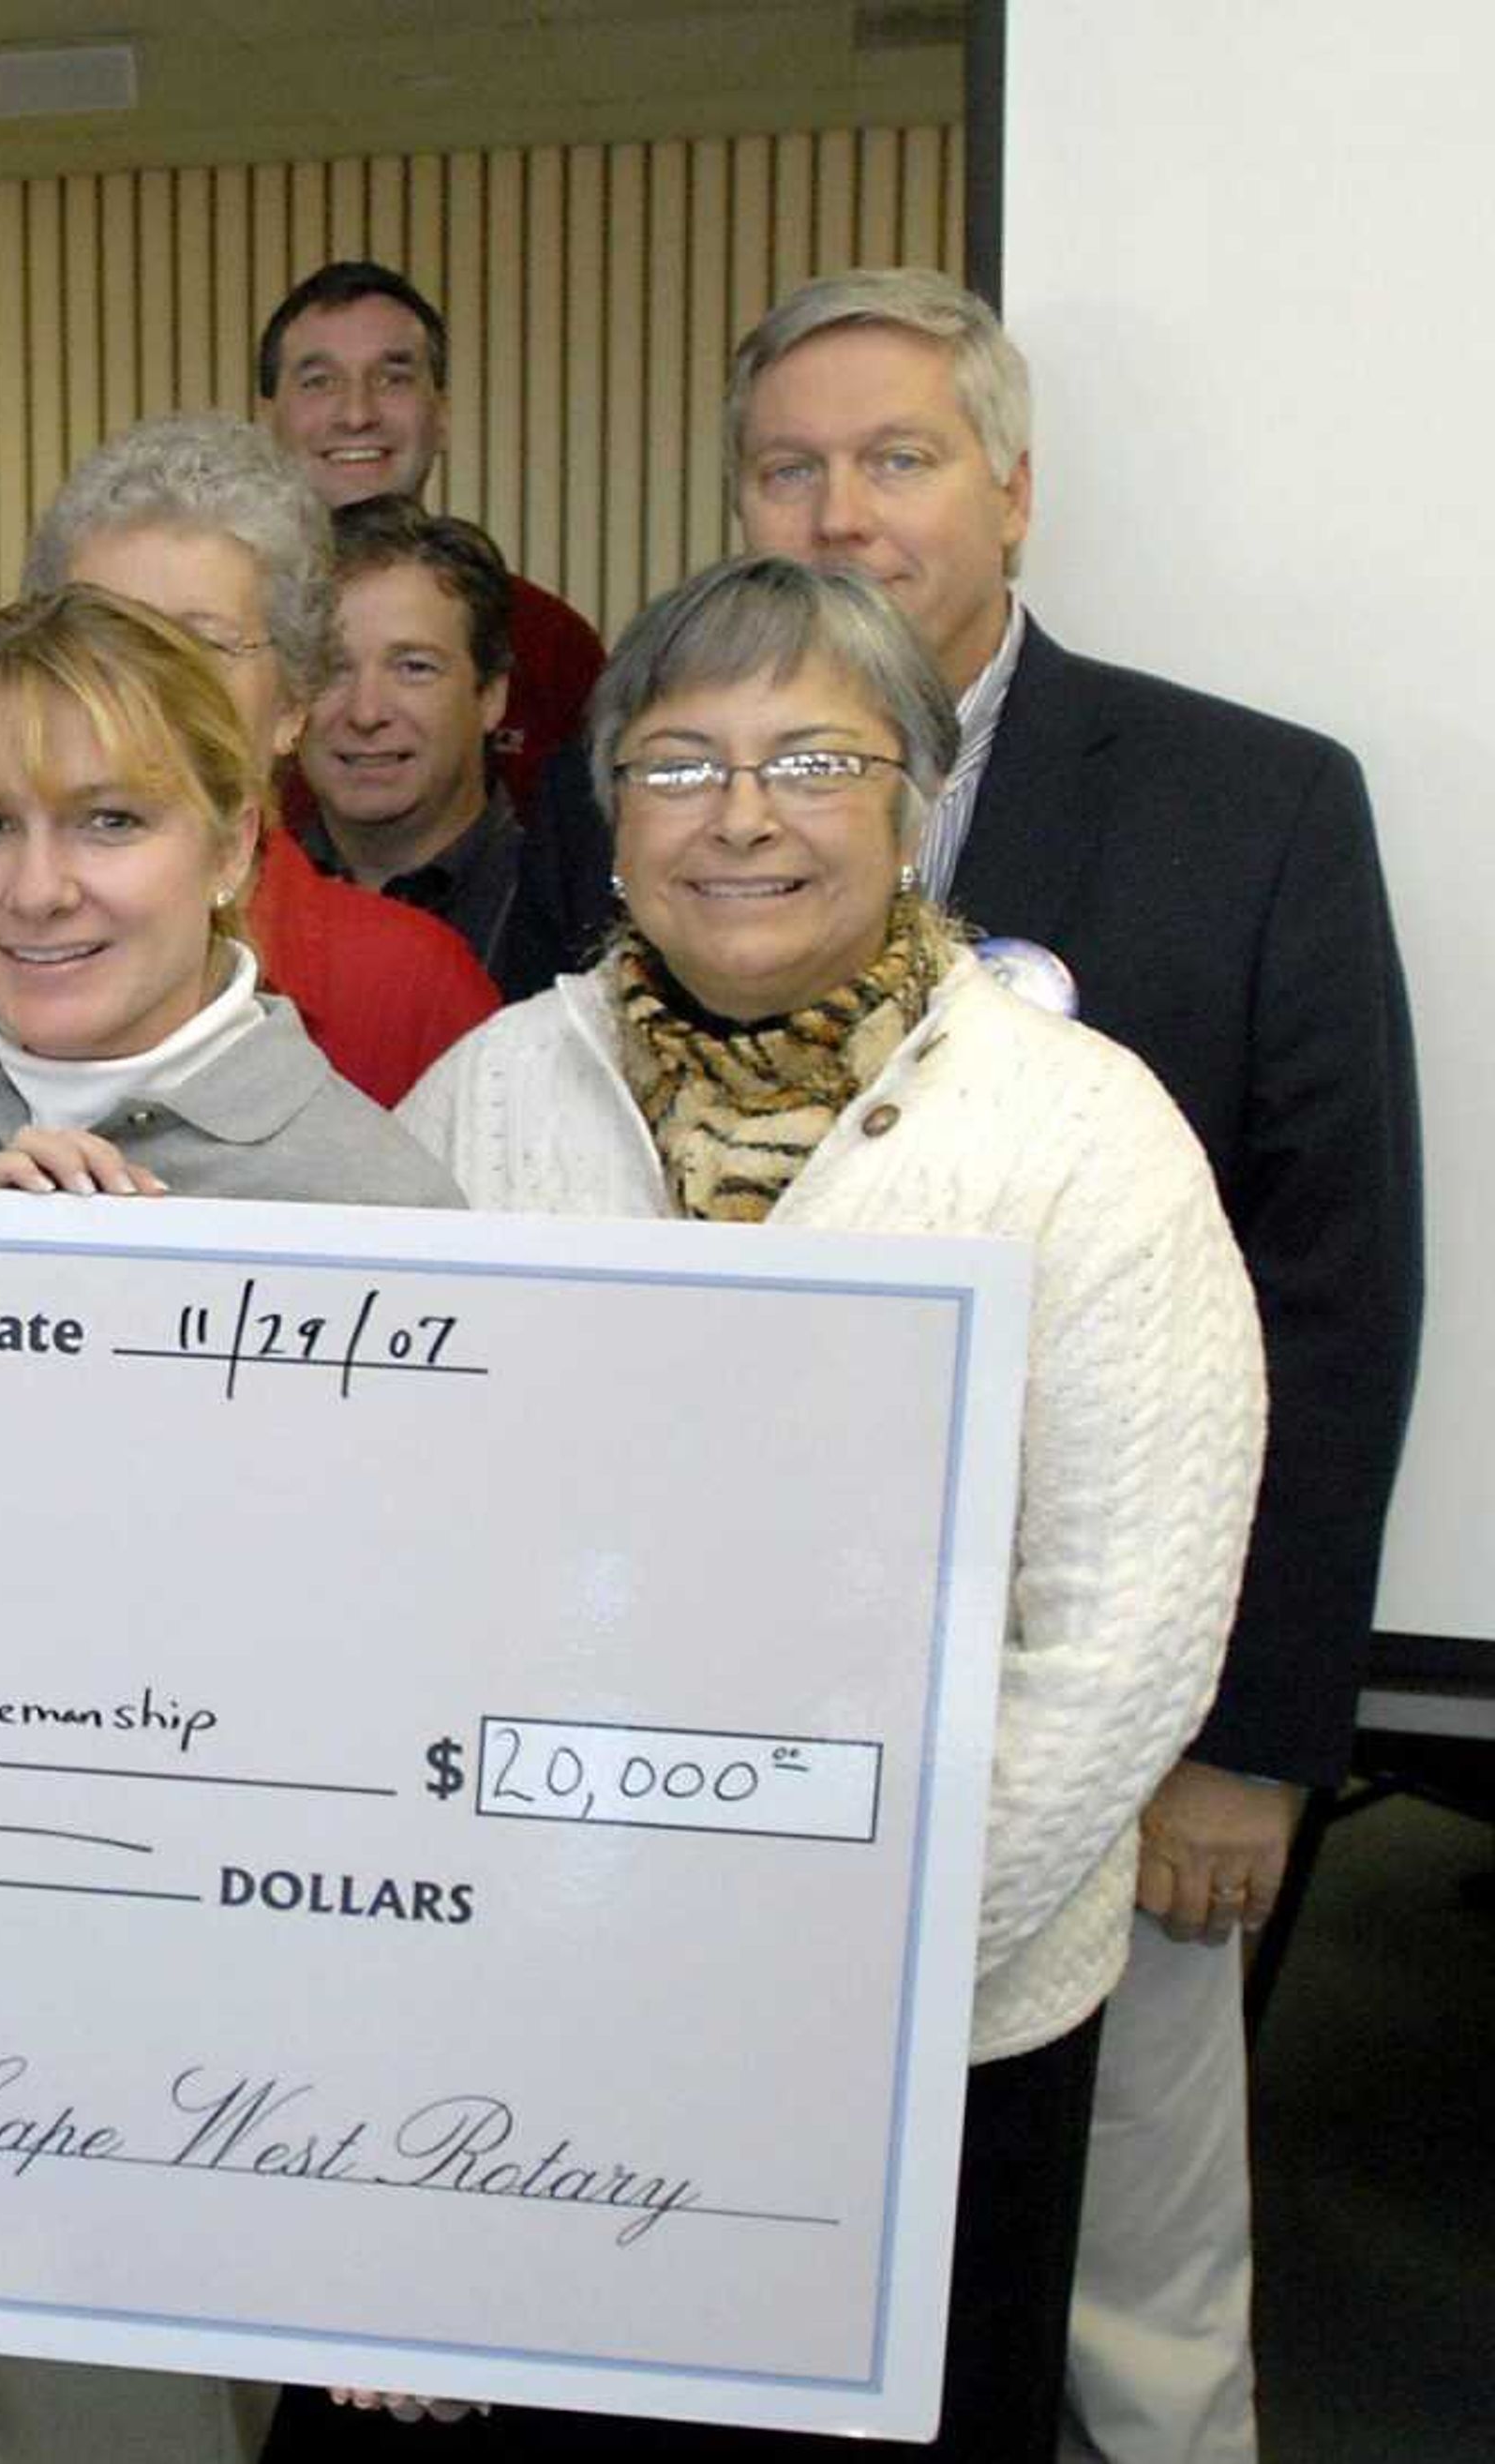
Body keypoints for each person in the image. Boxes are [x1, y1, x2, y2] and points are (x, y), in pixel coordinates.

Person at [314, 555, 1263, 2460]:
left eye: (814, 758)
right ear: (607, 812)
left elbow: (1127, 1628)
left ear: (915, 797)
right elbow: (374, 1554)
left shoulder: (1080, 1129)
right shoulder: (485, 1102)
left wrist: (832, 1969)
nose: (741, 818)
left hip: (936, 2028)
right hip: (536, 2006)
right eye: (678, 767)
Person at [719, 271, 1422, 2464]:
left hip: (1103, 1717)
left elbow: (1332, 1284)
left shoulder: (1249, 799)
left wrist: (1245, 1735)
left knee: (1128, 2306)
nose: (840, 511)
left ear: (1008, 492)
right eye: (786, 466)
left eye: (895, 458)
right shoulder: (650, 790)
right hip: (753, 1726)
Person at [0, 585, 450, 2464]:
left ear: (236, 845)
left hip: (158, 2012)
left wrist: (144, 1369)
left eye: (111, 820)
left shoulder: (363, 1205)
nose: (38, 890)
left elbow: (374, 1707)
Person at [0, 414, 496, 1177]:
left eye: (197, 646)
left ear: (294, 701)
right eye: (95, 636)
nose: (125, 694)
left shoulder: (414, 992)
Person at [253, 260, 605, 803]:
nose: (356, 414)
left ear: (440, 414)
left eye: (392, 378)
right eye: (318, 382)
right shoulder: (213, 637)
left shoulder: (552, 645)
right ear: (267, 419)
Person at [298, 498, 531, 980]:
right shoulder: (233, 906)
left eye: (414, 668)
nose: (366, 712)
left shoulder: (564, 915)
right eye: (332, 669)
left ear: (489, 696)